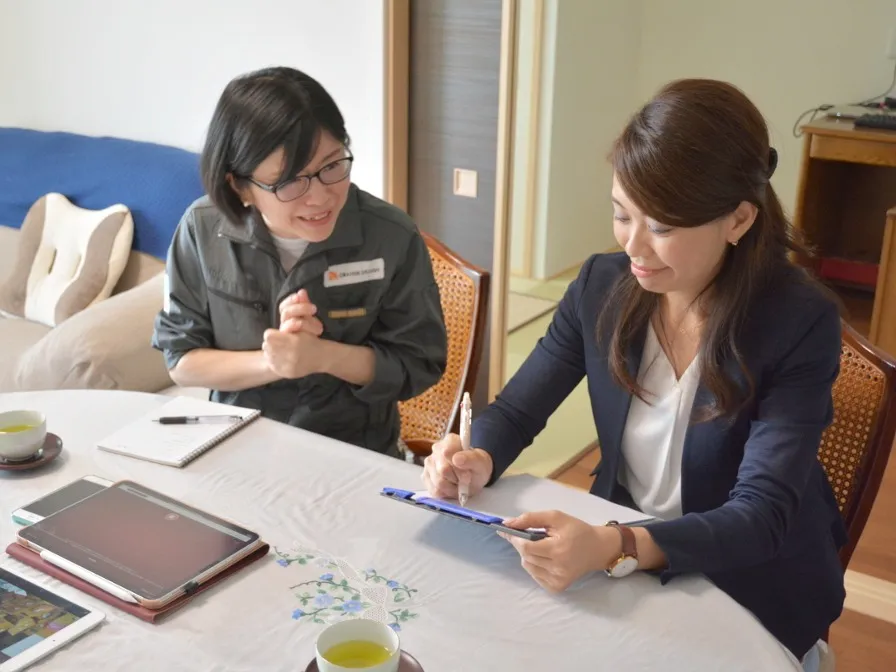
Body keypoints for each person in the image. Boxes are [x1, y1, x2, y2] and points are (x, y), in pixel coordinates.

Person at [422, 78, 846, 663]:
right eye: (623, 216)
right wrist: (476, 456)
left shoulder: (798, 322)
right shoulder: (602, 287)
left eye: (663, 227)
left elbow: (760, 516)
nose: (635, 248)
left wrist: (615, 544)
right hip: (624, 553)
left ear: (739, 220)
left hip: (748, 579)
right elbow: (519, 410)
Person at [152, 66, 447, 457]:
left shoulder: (390, 235)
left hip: (355, 453)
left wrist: (323, 356)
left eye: (331, 166)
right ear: (239, 186)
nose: (321, 197)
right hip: (237, 448)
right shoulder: (202, 230)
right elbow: (182, 360)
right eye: (290, 181)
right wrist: (274, 364)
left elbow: (419, 363)